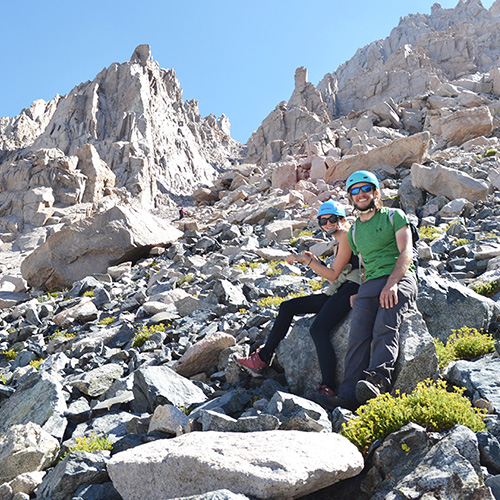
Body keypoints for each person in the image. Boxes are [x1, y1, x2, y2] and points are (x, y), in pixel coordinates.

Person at [236, 200, 362, 407]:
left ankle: (328, 387)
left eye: (333, 219)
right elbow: (333, 276)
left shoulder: (346, 237)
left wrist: (307, 262)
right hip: (341, 288)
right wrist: (315, 263)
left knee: (319, 329)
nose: (328, 224)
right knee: (288, 307)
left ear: (342, 219)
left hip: (351, 288)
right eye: (323, 221)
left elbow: (333, 275)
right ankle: (263, 358)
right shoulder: (340, 240)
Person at [326, 170, 418, 411]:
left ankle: (377, 380)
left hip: (399, 277)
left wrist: (393, 283)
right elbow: (365, 264)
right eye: (354, 191)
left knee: (385, 324)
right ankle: (347, 394)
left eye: (365, 189)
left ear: (376, 192)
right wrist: (360, 291)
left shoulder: (393, 216)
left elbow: (406, 251)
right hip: (370, 284)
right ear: (350, 197)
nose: (360, 194)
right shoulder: (355, 231)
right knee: (357, 335)